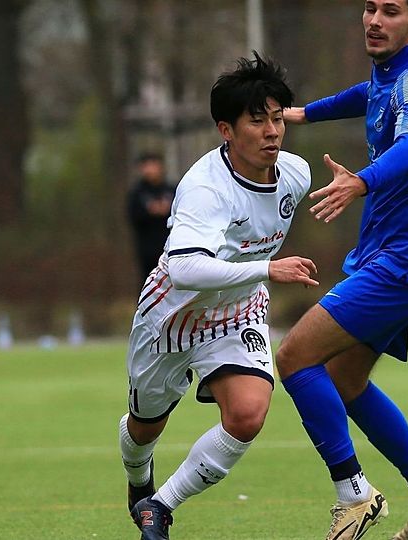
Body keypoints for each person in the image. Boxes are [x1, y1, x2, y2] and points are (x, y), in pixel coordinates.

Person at [276, 1, 408, 539]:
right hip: (395, 250)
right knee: (343, 377)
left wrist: (361, 181)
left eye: (392, 10)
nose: (374, 19)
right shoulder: (389, 74)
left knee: (293, 356)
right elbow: (364, 97)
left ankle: (354, 493)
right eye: (369, 7)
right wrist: (301, 116)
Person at [120, 52, 316, 540]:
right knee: (145, 427)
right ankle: (138, 478)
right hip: (171, 317)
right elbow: (184, 269)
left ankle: (160, 506)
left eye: (277, 119)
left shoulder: (296, 174)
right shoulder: (205, 189)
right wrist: (268, 267)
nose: (272, 131)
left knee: (248, 414)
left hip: (239, 311)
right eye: (257, 121)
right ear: (226, 130)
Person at [128, 152, 177, 280]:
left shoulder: (171, 190)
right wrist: (151, 211)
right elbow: (133, 217)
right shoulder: (137, 193)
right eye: (146, 166)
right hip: (148, 248)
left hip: (171, 247)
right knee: (149, 281)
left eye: (153, 165)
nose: (150, 170)